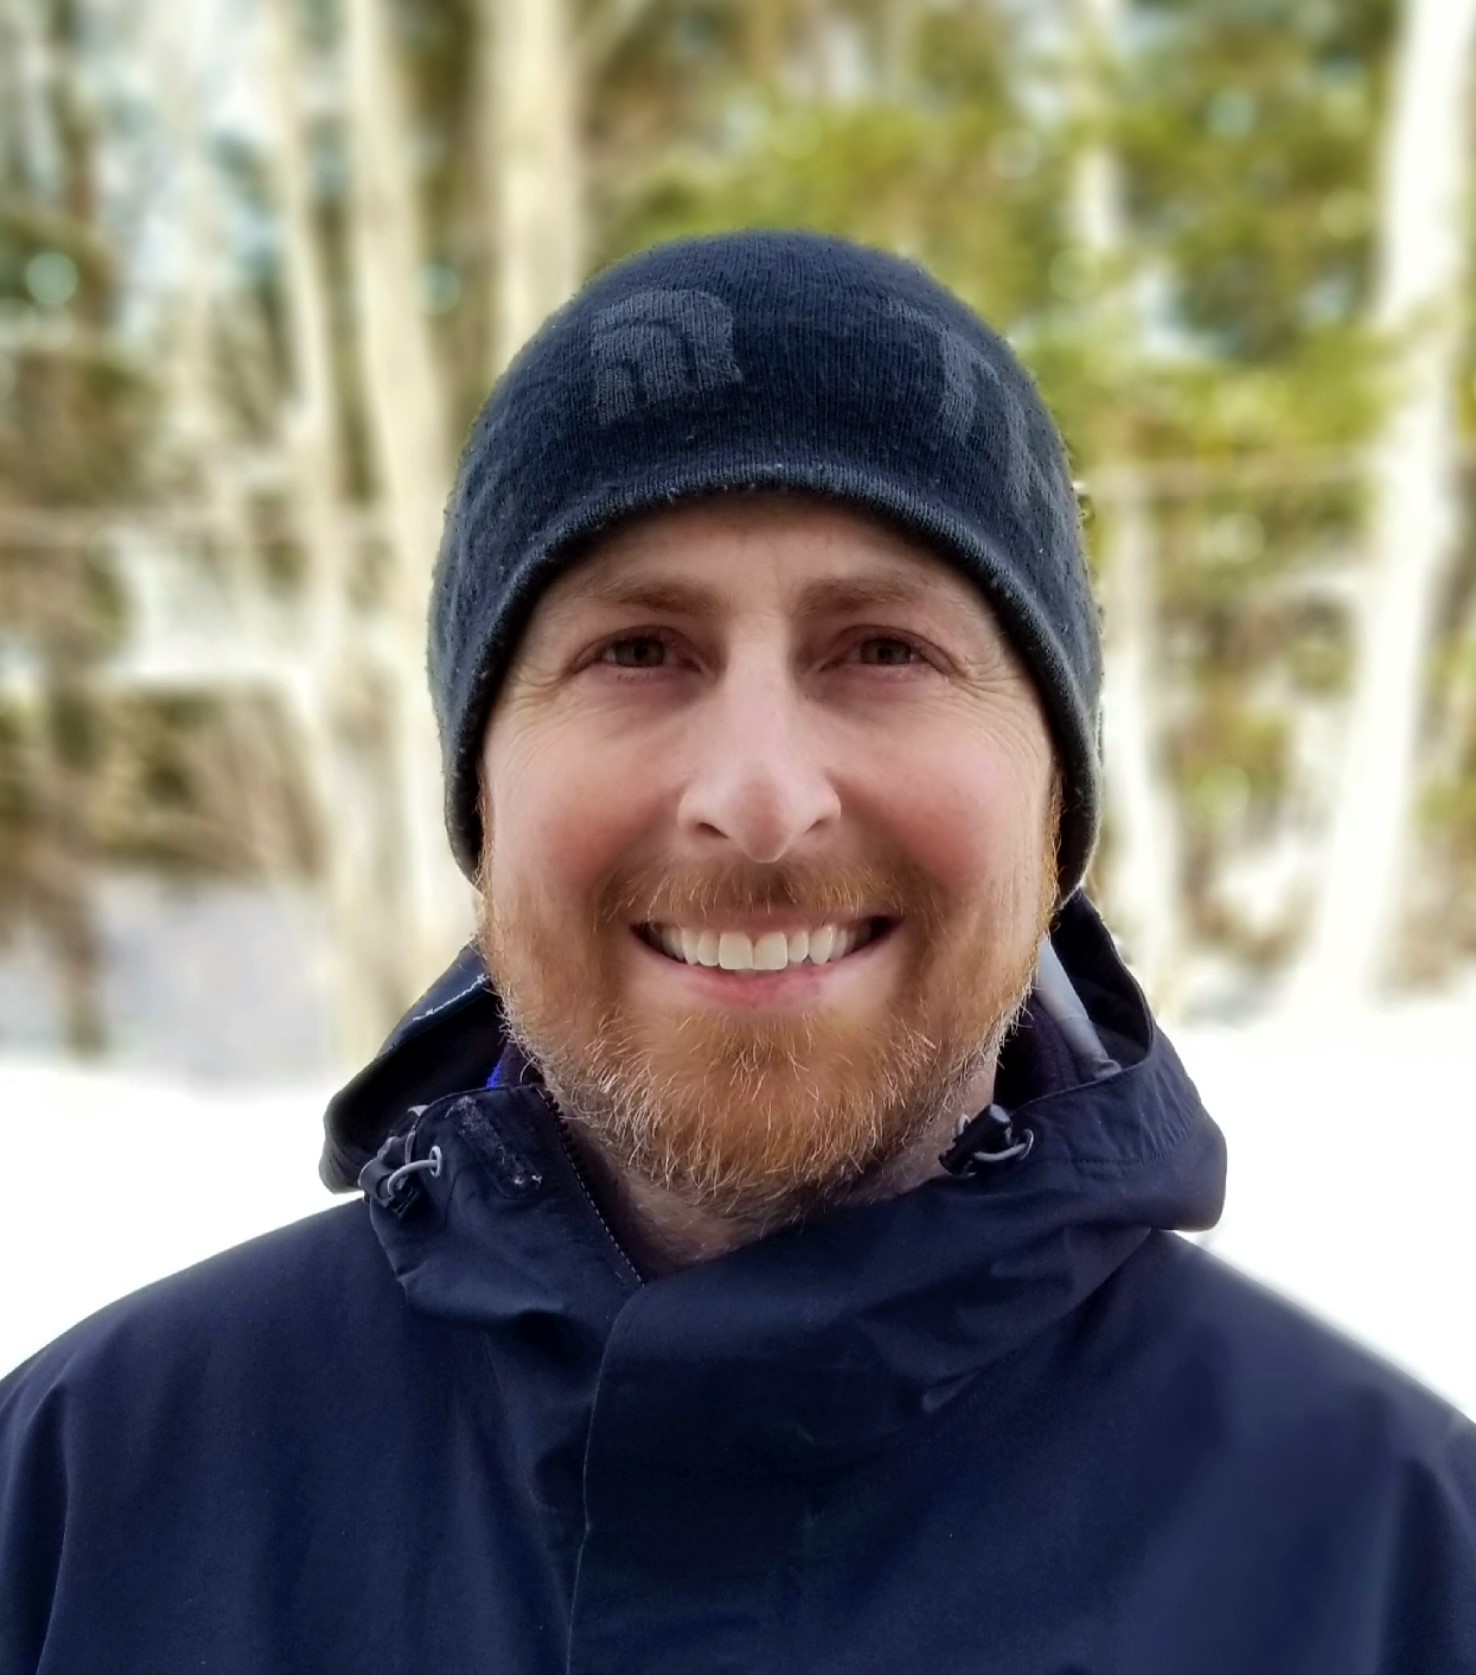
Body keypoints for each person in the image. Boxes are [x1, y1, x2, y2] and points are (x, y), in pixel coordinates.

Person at [1, 229, 1472, 1675]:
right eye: (637, 650)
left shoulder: (1395, 1567)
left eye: (884, 649)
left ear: (1054, 799)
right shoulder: (81, 1509)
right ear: (482, 793)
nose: (760, 798)